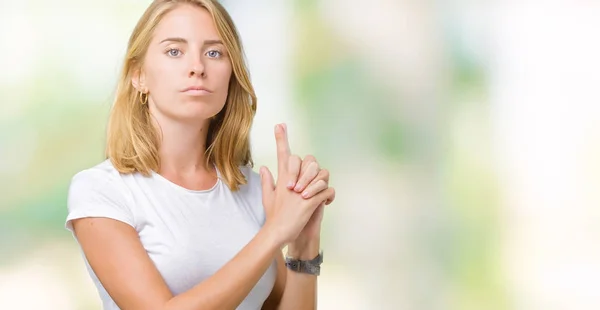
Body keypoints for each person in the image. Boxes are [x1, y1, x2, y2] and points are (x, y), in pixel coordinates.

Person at [64, 1, 336, 309]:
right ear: (138, 76)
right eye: (174, 51)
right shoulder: (102, 191)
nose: (197, 67)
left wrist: (303, 243)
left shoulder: (253, 190)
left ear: (231, 74)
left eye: (214, 52)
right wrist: (274, 233)